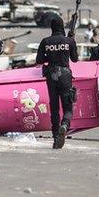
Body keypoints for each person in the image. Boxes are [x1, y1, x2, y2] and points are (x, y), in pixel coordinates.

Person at [36, 15, 79, 149]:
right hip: (65, 75)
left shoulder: (45, 41)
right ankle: (65, 125)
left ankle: (56, 137)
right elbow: (75, 59)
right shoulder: (69, 41)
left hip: (51, 75)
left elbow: (39, 60)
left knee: (54, 107)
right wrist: (72, 40)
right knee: (68, 107)